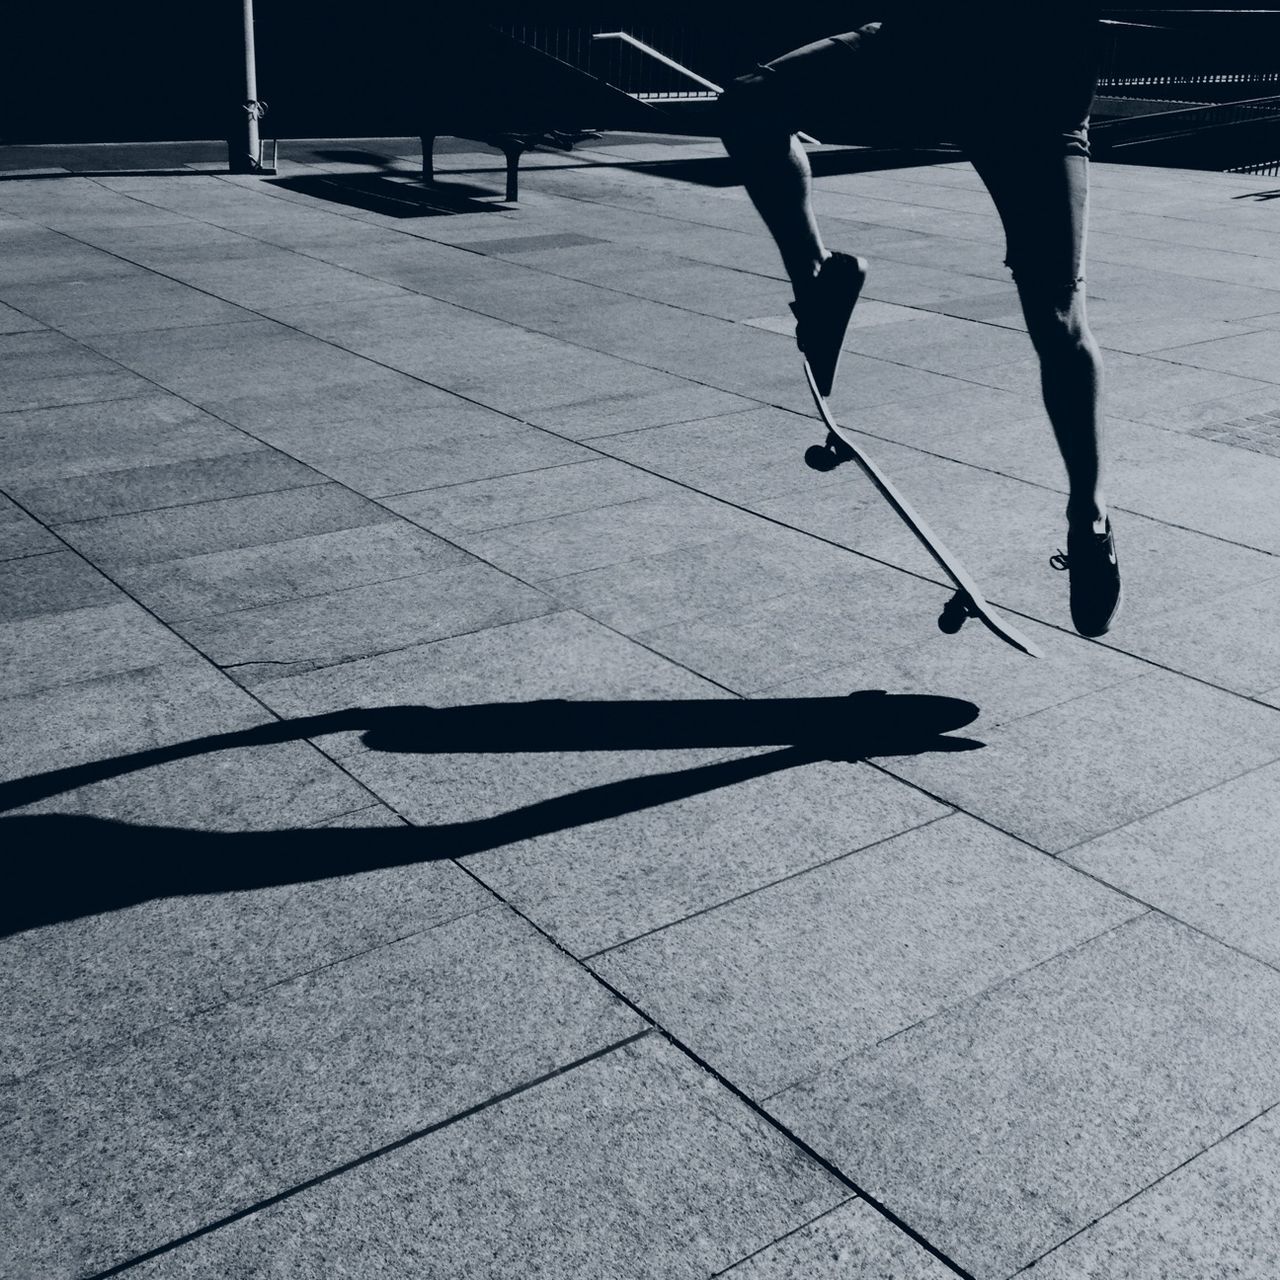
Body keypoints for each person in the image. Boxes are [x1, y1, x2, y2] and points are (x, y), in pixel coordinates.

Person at [718, 2, 1122, 637]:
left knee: (1055, 316)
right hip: (929, 50)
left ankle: (1088, 515)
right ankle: (817, 280)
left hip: (1035, 85)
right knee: (750, 102)